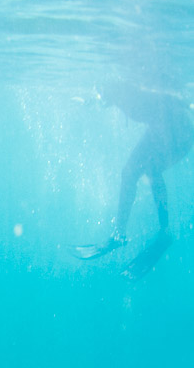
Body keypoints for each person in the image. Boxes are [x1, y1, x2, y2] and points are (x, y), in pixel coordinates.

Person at [76, 80, 194, 278]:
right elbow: (106, 97)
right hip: (161, 130)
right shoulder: (119, 91)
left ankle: (165, 232)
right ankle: (119, 235)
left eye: (102, 91)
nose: (102, 95)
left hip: (181, 132)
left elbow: (177, 101)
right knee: (129, 172)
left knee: (151, 170)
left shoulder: (140, 91)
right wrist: (90, 101)